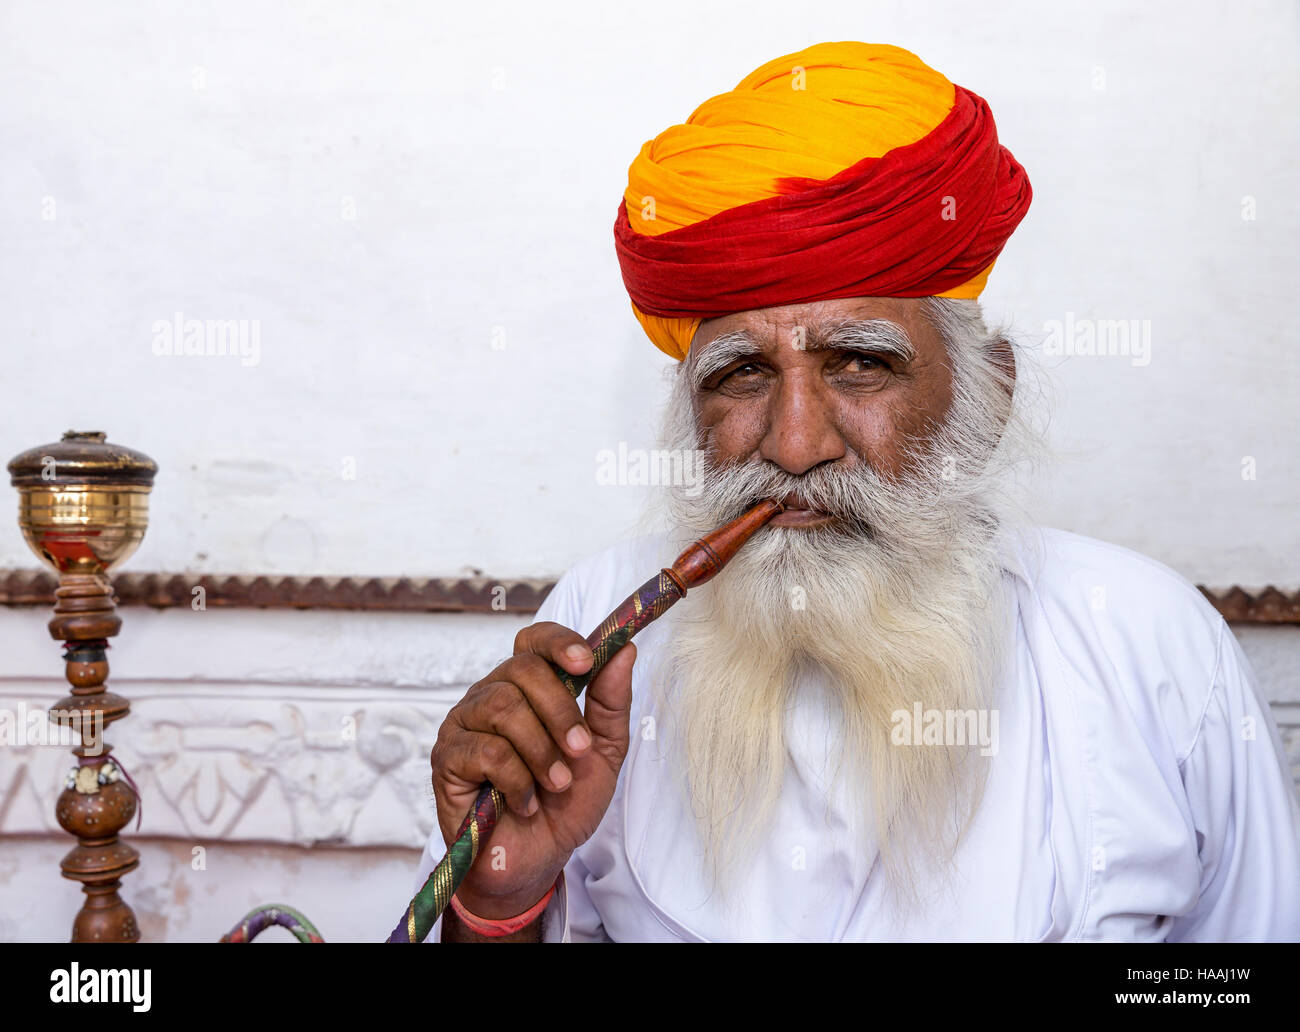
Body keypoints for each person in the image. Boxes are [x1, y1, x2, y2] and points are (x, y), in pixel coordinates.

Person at [415, 41, 1300, 942]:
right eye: (742, 375)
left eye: (861, 364)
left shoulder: (1149, 644)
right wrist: (495, 907)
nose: (795, 445)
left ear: (986, 399)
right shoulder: (598, 633)